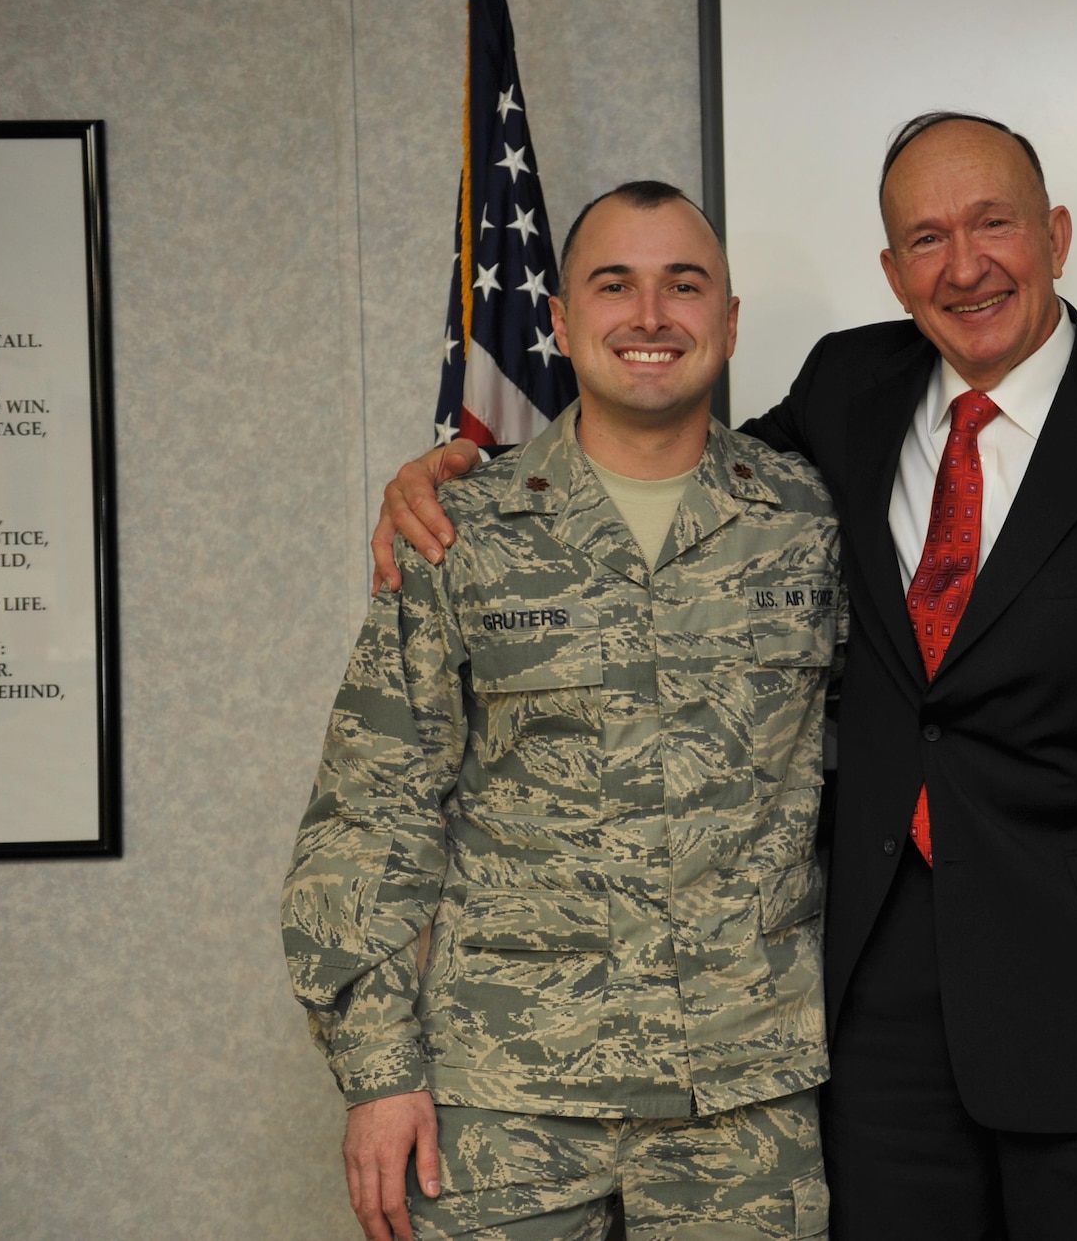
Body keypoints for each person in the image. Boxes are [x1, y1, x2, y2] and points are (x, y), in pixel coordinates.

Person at [375, 115, 1077, 1241]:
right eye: (924, 239)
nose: (964, 263)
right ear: (893, 273)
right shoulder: (849, 386)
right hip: (878, 1012)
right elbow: (680, 475)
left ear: (1058, 235)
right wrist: (465, 478)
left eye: (993, 224)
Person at [286, 181, 842, 1241]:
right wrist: (378, 1071)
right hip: (504, 1101)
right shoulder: (461, 529)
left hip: (744, 1101)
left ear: (728, 321)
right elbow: (371, 810)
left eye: (683, 285)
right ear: (558, 318)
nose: (648, 315)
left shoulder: (806, 520)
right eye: (613, 284)